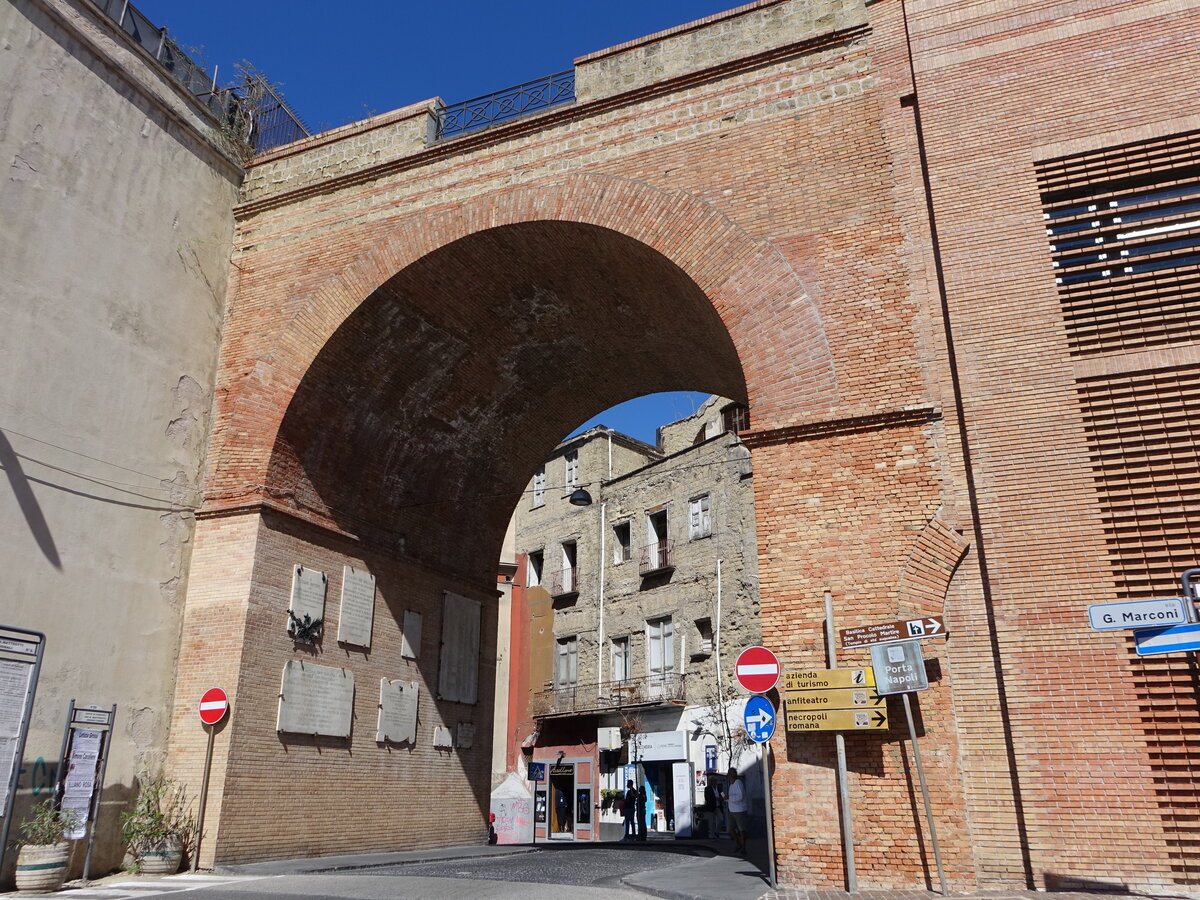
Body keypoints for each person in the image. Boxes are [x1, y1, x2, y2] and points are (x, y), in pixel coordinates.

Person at [726, 767, 747, 855]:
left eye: (728, 775)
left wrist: (729, 798)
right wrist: (726, 798)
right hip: (732, 810)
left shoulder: (738, 783)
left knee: (742, 830)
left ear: (731, 775)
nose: (727, 777)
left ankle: (743, 847)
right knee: (730, 829)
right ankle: (738, 843)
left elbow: (740, 797)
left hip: (739, 810)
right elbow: (731, 797)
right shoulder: (731, 784)